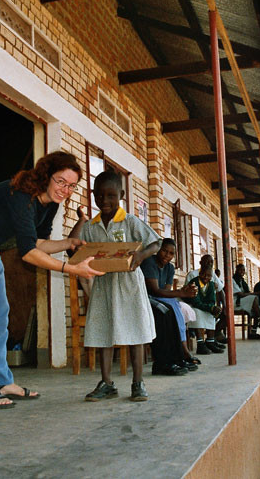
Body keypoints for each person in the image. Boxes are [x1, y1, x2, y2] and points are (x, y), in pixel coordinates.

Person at [0, 151, 103, 409]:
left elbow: (37, 243)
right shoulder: (22, 196)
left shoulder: (49, 204)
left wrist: (68, 242)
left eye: (72, 185)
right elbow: (28, 253)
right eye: (61, 181)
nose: (65, 190)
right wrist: (72, 269)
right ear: (45, 175)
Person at [70, 171, 161, 402]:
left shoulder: (129, 221)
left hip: (129, 284)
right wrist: (81, 220)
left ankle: (138, 382)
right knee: (103, 330)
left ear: (121, 195)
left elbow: (156, 243)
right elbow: (74, 248)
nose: (105, 201)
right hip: (103, 284)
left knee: (135, 331)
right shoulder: (91, 226)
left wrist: (140, 255)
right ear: (93, 196)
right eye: (99, 196)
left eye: (111, 195)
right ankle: (107, 383)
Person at [141, 238, 199, 375]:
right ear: (158, 250)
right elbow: (155, 290)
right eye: (164, 251)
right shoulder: (150, 262)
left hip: (161, 298)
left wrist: (182, 292)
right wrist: (181, 292)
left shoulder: (169, 268)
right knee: (167, 311)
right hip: (146, 299)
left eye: (171, 253)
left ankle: (179, 354)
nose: (167, 255)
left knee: (176, 308)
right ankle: (173, 357)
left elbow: (166, 291)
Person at [185, 254, 227, 345]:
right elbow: (191, 296)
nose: (209, 263)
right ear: (200, 263)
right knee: (198, 311)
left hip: (205, 304)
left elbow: (220, 290)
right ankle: (200, 342)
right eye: (207, 261)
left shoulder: (212, 274)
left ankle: (211, 339)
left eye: (211, 261)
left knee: (217, 312)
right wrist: (210, 307)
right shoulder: (193, 275)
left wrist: (225, 306)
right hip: (193, 303)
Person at [232, 263, 260, 338]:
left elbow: (247, 292)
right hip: (235, 302)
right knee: (254, 298)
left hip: (242, 301)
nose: (242, 271)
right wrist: (256, 293)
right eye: (240, 270)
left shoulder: (242, 281)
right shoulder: (233, 280)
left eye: (243, 270)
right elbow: (241, 294)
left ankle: (253, 332)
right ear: (236, 270)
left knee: (255, 307)